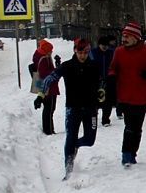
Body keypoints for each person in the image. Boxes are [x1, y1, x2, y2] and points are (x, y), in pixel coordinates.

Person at [42, 39, 101, 179]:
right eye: (80, 52)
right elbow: (50, 78)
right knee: (70, 137)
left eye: (85, 52)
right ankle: (68, 169)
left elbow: (102, 82)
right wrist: (41, 95)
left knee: (89, 140)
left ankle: (76, 146)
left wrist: (102, 92)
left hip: (90, 108)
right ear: (75, 51)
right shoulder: (67, 66)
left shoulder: (94, 66)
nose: (82, 55)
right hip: (73, 108)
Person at [109, 21, 146, 167]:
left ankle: (133, 152)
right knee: (129, 126)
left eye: (127, 36)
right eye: (123, 36)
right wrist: (112, 75)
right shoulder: (119, 52)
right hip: (124, 95)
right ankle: (126, 153)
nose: (124, 39)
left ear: (136, 38)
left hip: (141, 96)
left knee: (137, 128)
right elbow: (112, 68)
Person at [33, 39, 59, 135]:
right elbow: (45, 74)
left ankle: (49, 129)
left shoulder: (39, 57)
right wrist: (56, 71)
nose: (52, 52)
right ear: (46, 50)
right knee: (49, 109)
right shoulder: (44, 59)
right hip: (48, 88)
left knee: (48, 109)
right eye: (50, 50)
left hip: (45, 87)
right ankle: (48, 130)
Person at [90, 35, 116, 126]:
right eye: (102, 45)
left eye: (106, 45)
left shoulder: (111, 53)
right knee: (95, 101)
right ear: (99, 45)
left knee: (108, 101)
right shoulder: (93, 53)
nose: (104, 47)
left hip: (109, 79)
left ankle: (105, 119)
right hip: (96, 80)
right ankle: (93, 119)